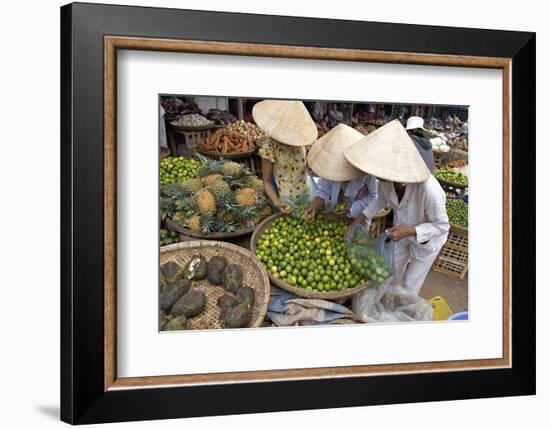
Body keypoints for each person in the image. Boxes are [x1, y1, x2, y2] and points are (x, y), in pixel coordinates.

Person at [344, 120, 449, 295]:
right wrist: (358, 220)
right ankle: (384, 307)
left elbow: (442, 226)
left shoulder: (429, 190)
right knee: (390, 273)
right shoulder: (386, 181)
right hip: (400, 235)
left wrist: (409, 231)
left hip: (426, 242)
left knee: (409, 285)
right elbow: (379, 201)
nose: (378, 178)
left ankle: (400, 314)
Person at [253, 99, 318, 212]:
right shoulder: (270, 147)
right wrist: (276, 202)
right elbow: (267, 181)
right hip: (286, 200)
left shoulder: (301, 140)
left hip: (306, 192)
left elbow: (308, 161)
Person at [304, 124, 378, 220]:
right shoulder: (329, 166)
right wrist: (313, 207)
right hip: (333, 214)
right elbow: (323, 190)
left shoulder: (366, 171)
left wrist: (352, 209)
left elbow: (373, 196)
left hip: (358, 215)